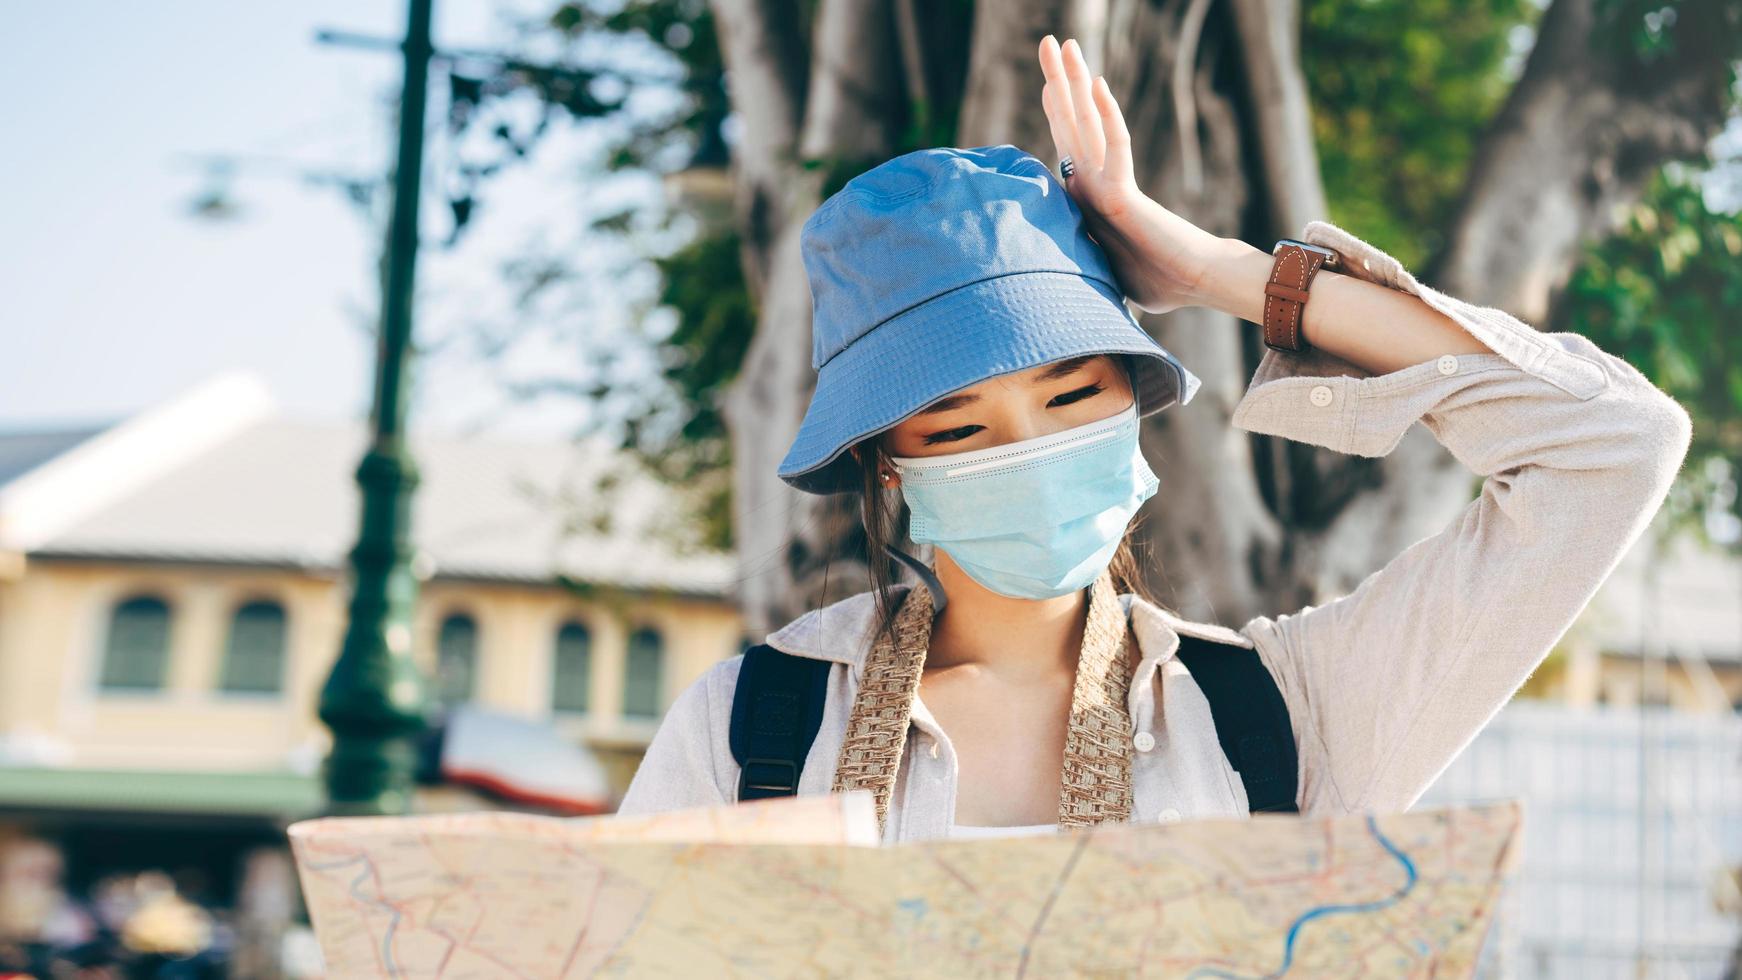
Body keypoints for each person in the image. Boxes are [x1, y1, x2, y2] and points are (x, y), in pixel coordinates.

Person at [616, 34, 1691, 843]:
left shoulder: (1284, 710)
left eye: (1069, 394)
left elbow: (1611, 442)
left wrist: (1226, 275)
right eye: (956, 423)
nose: (1026, 444)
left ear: (1135, 396)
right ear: (889, 463)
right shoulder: (758, 723)